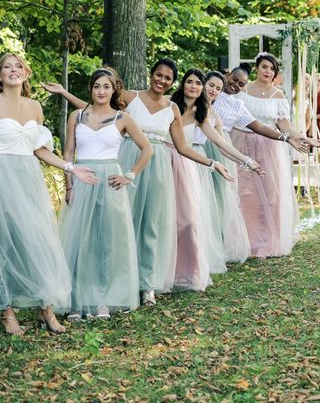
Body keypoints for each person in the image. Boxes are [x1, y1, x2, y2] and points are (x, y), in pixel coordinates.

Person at [43, 58, 229, 303]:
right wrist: (65, 94)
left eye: (168, 78)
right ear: (151, 74)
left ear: (173, 82)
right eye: (158, 75)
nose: (162, 80)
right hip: (126, 159)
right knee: (120, 222)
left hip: (157, 164)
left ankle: (147, 284)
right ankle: (118, 279)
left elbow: (183, 147)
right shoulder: (131, 97)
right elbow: (97, 112)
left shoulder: (172, 108)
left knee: (152, 224)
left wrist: (212, 163)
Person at [0, 53, 97, 336]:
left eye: (18, 66)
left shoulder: (35, 107)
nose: (13, 70)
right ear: (0, 74)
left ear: (26, 73)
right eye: (7, 66)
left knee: (37, 239)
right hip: (2, 176)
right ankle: (7, 312)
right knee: (5, 242)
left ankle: (46, 308)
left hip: (28, 179)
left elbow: (40, 150)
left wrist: (71, 167)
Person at [59, 67, 152, 320]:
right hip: (82, 180)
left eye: (106, 87)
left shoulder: (122, 118)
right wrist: (68, 185)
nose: (101, 91)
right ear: (90, 88)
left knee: (107, 242)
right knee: (80, 242)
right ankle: (77, 300)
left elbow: (147, 149)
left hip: (111, 182)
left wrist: (129, 175)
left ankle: (103, 300)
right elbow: (68, 155)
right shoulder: (77, 117)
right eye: (97, 86)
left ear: (114, 90)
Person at [209, 68, 314, 261]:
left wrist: (288, 138)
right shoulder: (210, 92)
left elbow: (260, 127)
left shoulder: (238, 105)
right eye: (234, 80)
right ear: (227, 75)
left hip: (222, 148)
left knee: (223, 196)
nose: (236, 85)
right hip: (201, 147)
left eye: (241, 84)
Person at [172, 69, 263, 270]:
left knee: (195, 214)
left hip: (199, 163)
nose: (213, 90)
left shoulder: (209, 115)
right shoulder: (174, 106)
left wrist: (246, 161)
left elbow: (222, 144)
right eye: (211, 85)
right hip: (176, 159)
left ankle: (193, 260)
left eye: (218, 88)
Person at [230, 53, 300, 257]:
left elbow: (284, 124)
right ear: (257, 68)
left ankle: (268, 240)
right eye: (264, 67)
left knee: (271, 194)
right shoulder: (242, 89)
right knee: (244, 192)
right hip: (241, 142)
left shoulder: (278, 95)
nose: (267, 71)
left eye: (272, 69)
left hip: (270, 147)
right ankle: (246, 240)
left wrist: (300, 138)